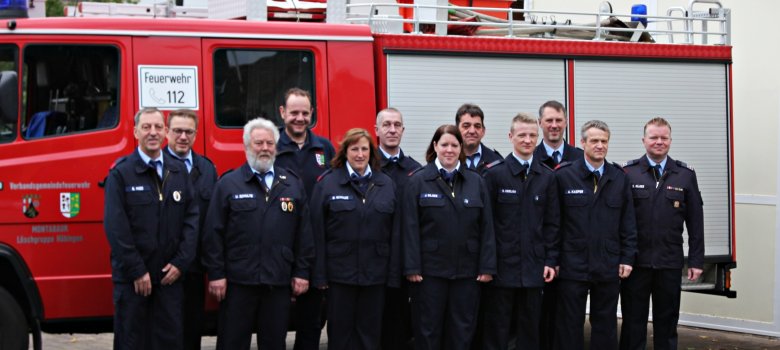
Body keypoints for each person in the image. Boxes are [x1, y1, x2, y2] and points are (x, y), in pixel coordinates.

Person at [202, 118, 313, 350]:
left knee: (274, 343)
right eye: (258, 143)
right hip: (237, 284)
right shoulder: (229, 184)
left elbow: (304, 234)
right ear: (246, 147)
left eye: (269, 143)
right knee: (232, 343)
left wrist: (302, 272)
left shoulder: (292, 184)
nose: (264, 148)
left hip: (278, 282)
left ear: (276, 147)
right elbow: (213, 233)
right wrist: (216, 274)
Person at [103, 107, 199, 350]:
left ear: (166, 132)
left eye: (158, 127)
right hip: (133, 281)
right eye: (146, 127)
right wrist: (137, 271)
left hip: (170, 279)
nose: (153, 132)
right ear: (135, 132)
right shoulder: (121, 173)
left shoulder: (178, 172)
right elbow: (116, 228)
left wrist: (180, 263)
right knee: (132, 342)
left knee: (169, 342)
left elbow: (192, 220)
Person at [403, 124, 496, 350]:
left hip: (467, 272)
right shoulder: (418, 180)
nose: (449, 150)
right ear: (435, 146)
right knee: (428, 329)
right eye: (444, 144)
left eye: (454, 145)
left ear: (461, 148)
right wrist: (412, 267)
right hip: (429, 273)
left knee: (462, 330)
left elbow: (487, 227)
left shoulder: (476, 181)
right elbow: (409, 227)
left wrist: (487, 266)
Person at [619, 117, 704, 350]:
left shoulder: (685, 175)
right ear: (643, 140)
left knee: (667, 324)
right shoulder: (628, 173)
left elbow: (695, 222)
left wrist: (696, 260)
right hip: (636, 264)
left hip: (669, 262)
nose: (659, 142)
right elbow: (619, 220)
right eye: (653, 137)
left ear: (670, 140)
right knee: (632, 323)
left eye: (663, 138)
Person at [311, 128, 399, 350]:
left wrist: (392, 273)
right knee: (340, 335)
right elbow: (316, 233)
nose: (360, 155)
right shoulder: (327, 183)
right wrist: (319, 275)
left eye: (364, 149)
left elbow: (395, 232)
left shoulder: (386, 184)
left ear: (371, 152)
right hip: (340, 276)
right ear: (345, 152)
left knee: (370, 335)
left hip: (375, 276)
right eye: (354, 149)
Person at [553, 120, 637, 350]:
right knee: (569, 326)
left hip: (607, 264)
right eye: (594, 141)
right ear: (582, 143)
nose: (600, 146)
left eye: (604, 141)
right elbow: (554, 224)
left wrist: (627, 257)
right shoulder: (564, 176)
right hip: (572, 265)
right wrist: (554, 259)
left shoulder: (619, 177)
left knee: (605, 325)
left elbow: (628, 222)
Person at [480, 113, 560, 350]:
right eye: (522, 135)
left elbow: (552, 224)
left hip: (534, 268)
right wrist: (487, 265)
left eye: (532, 135)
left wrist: (551, 260)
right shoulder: (494, 174)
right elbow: (486, 225)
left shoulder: (547, 176)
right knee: (497, 329)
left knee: (530, 329)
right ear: (510, 136)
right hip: (502, 268)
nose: (527, 140)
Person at [274, 87, 335, 350]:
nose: (299, 118)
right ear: (282, 113)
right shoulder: (271, 146)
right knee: (274, 319)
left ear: (312, 113)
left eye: (304, 113)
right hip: (280, 241)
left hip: (315, 243)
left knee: (311, 320)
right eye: (294, 112)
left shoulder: (324, 148)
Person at [163, 109, 217, 350]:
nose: (183, 137)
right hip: (164, 268)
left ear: (195, 135)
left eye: (188, 132)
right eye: (177, 131)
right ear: (167, 132)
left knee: (192, 331)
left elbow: (212, 222)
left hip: (195, 268)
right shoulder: (156, 166)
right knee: (165, 333)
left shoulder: (207, 169)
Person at [534, 100, 583, 350]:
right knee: (539, 316)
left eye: (558, 120)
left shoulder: (580, 157)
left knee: (569, 318)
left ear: (566, 123)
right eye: (549, 120)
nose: (554, 125)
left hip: (572, 253)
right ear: (540, 123)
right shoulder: (530, 157)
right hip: (539, 252)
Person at [375, 107, 421, 350]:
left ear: (403, 130)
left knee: (400, 327)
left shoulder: (415, 170)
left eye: (396, 125)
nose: (392, 130)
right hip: (373, 262)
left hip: (404, 263)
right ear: (377, 130)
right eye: (386, 125)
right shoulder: (366, 166)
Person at [455, 103, 502, 173]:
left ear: (483, 131)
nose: (472, 131)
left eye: (477, 126)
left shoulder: (496, 161)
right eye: (466, 126)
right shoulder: (448, 160)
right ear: (456, 130)